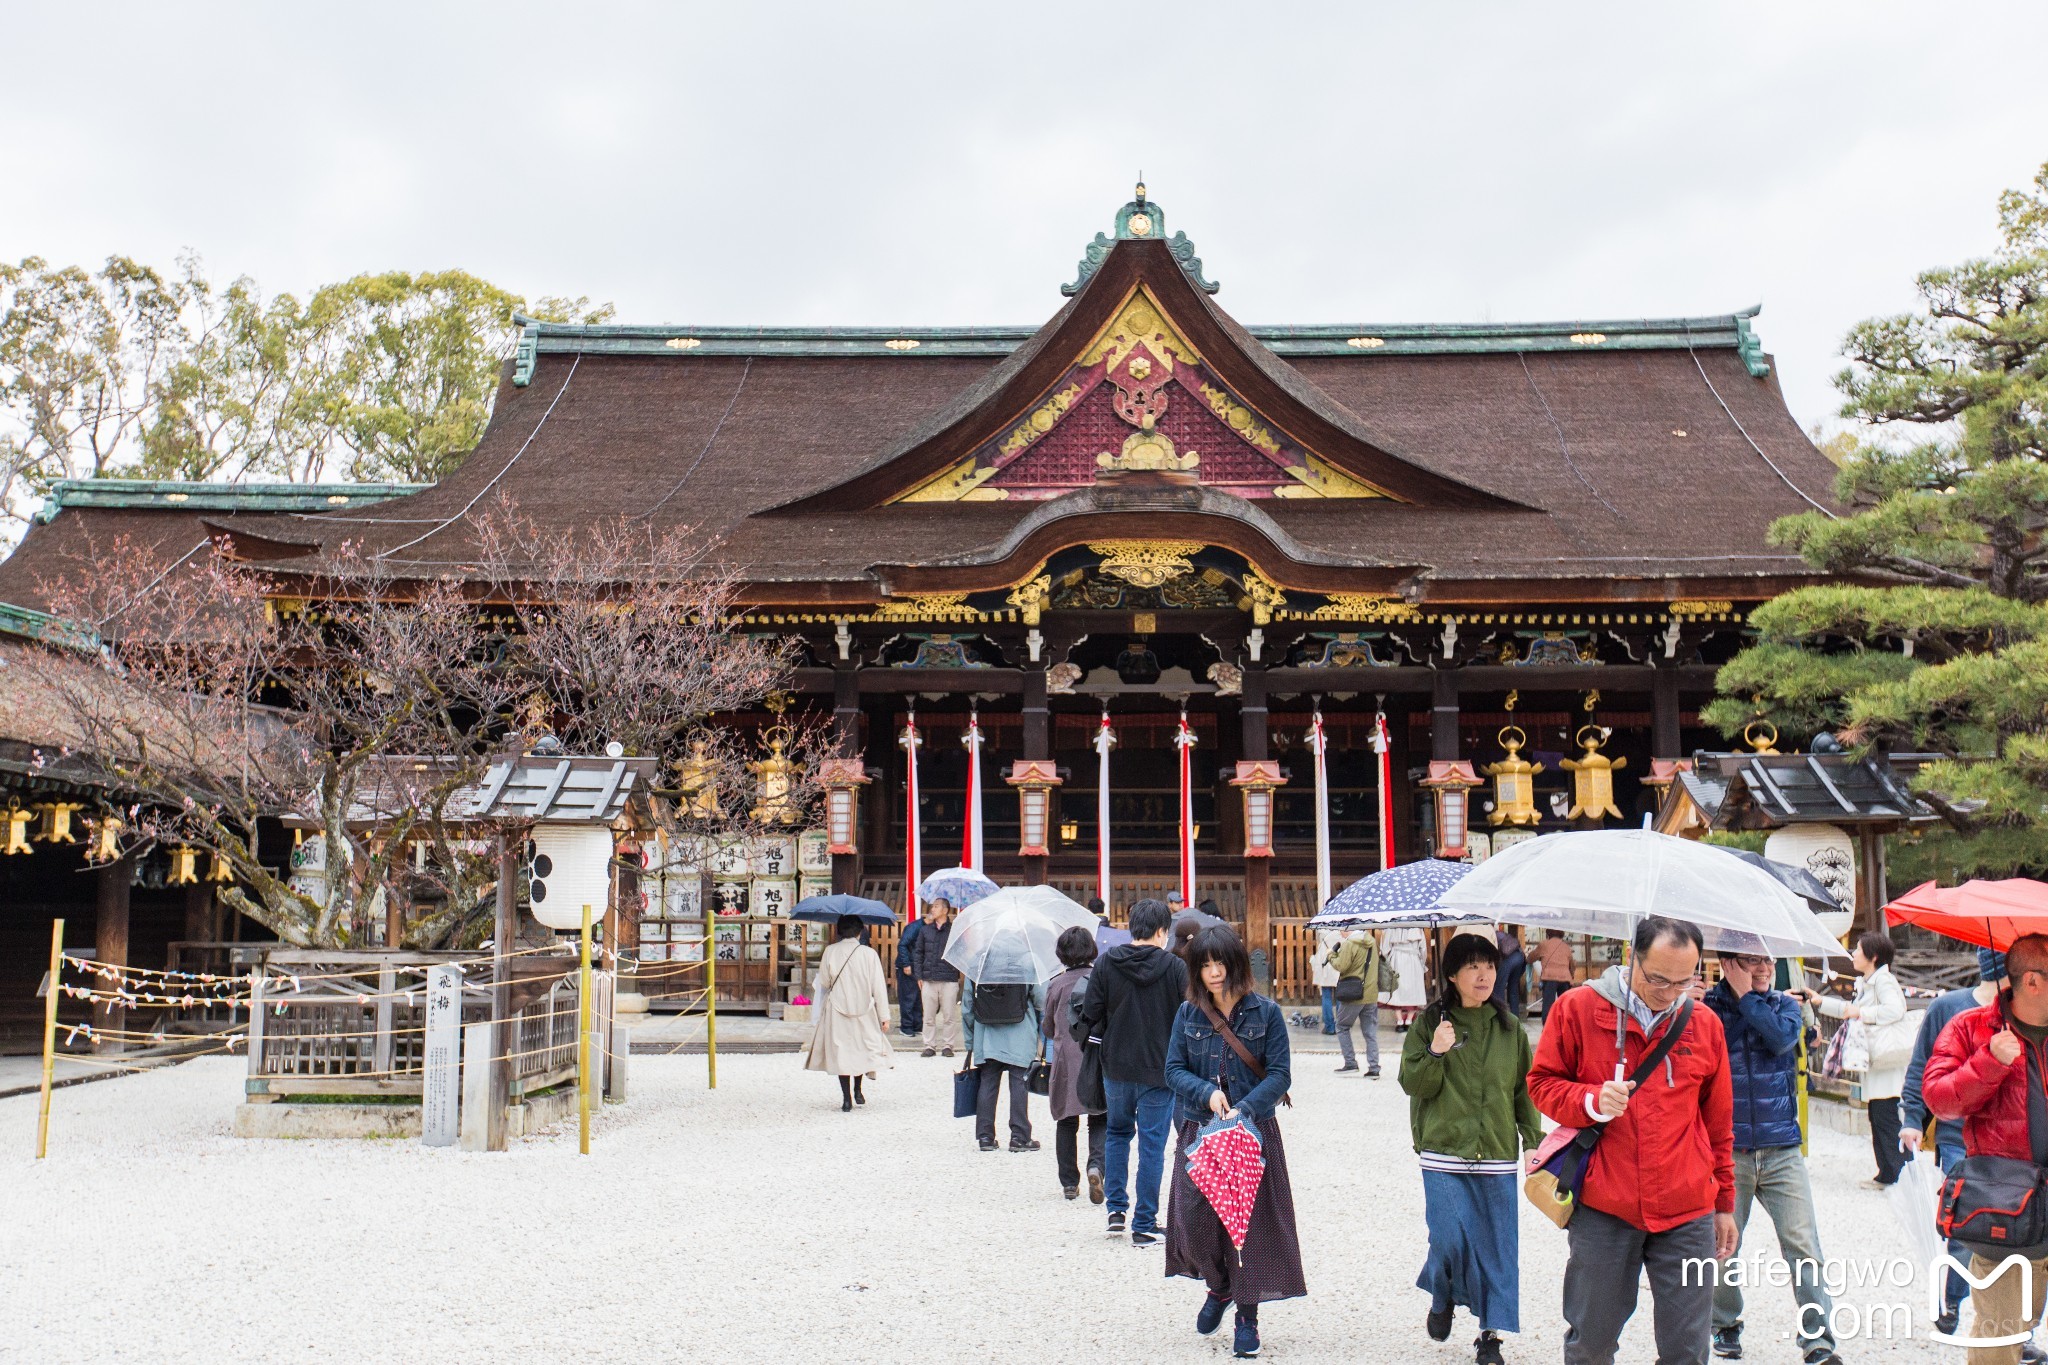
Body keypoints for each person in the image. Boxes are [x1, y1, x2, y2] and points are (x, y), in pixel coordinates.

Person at [1527, 915, 1738, 1365]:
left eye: (1685, 980)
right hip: (1606, 1204)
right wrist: (1591, 1100)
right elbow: (1541, 1084)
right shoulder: (1577, 1009)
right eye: (1658, 978)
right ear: (1631, 957)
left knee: (1687, 1350)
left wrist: (1724, 1205)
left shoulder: (1703, 1024)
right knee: (1592, 1343)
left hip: (1687, 1207)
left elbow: (1718, 1126)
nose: (1669, 991)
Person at [1399, 932, 1541, 1365]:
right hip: (1443, 1152)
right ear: (1452, 975)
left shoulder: (1509, 1027)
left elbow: (1523, 1091)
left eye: (1490, 966)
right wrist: (1435, 1051)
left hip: (1497, 1154)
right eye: (1473, 967)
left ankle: (1489, 1334)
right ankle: (1442, 1294)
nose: (1484, 976)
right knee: (1448, 1240)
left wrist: (1534, 1143)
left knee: (1497, 1248)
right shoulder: (1431, 1024)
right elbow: (1414, 1084)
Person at [1164, 925, 1304, 1360]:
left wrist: (1245, 1107)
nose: (1213, 972)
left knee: (1249, 1228)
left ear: (1236, 963)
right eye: (1204, 965)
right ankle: (1219, 1287)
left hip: (1250, 1135)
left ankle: (1247, 1315)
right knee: (1193, 1220)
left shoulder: (1266, 1013)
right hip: (1199, 1131)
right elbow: (1172, 1069)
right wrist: (1206, 1093)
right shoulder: (1188, 1014)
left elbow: (1280, 1073)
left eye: (1219, 962)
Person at [1703, 952, 1845, 1365]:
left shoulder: (1786, 1006)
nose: (1764, 969)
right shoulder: (1707, 1010)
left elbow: (1782, 1039)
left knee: (1803, 1245)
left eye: (1768, 961)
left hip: (1782, 1147)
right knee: (1723, 1245)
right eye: (1751, 962)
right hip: (1730, 1149)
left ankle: (1818, 1342)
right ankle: (1724, 1323)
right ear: (1729, 964)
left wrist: (1748, 996)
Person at [1923, 933, 2048, 1365]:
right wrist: (1989, 1061)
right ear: (2033, 981)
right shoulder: (1971, 1028)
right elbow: (1938, 1097)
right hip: (2007, 1208)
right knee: (2000, 1337)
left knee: (2021, 1324)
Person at [1900, 948, 2009, 1338]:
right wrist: (1912, 1119)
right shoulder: (1949, 1009)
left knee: (2015, 1231)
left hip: (2014, 1141)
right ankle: (1953, 1296)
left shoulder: (2029, 1015)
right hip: (1958, 1135)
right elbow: (1922, 1066)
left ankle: (2009, 1327)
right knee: (1969, 1224)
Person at [1075, 897, 1188, 1245]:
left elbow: (1091, 1009)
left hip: (1117, 1064)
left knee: (1117, 1134)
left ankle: (1116, 1211)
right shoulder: (1174, 967)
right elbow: (1190, 1014)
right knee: (1153, 1144)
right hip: (1160, 1067)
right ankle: (1144, 1223)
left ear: (1132, 927)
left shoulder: (1107, 963)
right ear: (1161, 931)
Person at [1797, 930, 1913, 1187]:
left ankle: (1897, 1174)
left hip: (1886, 1061)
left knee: (1886, 1117)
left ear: (1872, 956)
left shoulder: (1883, 981)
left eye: (1858, 949)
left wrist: (1862, 1013)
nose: (1854, 953)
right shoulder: (1869, 981)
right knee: (1879, 1115)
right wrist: (1819, 1001)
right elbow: (1851, 1011)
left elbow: (1894, 1010)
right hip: (1878, 1062)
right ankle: (1889, 1172)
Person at [802, 914, 892, 1112]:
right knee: (859, 1050)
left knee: (842, 1053)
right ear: (860, 931)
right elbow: (878, 987)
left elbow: (825, 982)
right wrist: (884, 1015)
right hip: (864, 1009)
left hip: (837, 1008)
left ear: (839, 931)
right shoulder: (869, 954)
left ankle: (846, 1098)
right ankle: (858, 1089)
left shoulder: (830, 951)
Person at [1045, 926, 1107, 1201]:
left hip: (1066, 1061)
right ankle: (1096, 1165)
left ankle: (1070, 1182)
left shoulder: (1056, 984)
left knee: (1066, 1120)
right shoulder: (1100, 979)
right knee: (1100, 1116)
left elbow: (1048, 1027)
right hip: (1096, 1055)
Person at [961, 957, 1046, 1154]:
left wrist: (970, 1040)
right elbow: (1041, 999)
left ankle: (985, 1137)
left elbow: (967, 1005)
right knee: (1019, 1083)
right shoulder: (1028, 960)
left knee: (988, 1083)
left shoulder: (978, 962)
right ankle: (1019, 1137)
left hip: (986, 1032)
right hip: (1020, 1031)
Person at [910, 899, 961, 1058]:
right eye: (933, 906)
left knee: (949, 1016)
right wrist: (918, 975)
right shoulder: (925, 930)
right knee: (928, 1015)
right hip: (929, 978)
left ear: (945, 910)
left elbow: (961, 952)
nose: (933, 909)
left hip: (948, 978)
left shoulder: (954, 930)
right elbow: (918, 953)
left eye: (936, 906)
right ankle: (929, 1045)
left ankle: (948, 1045)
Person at [1331, 929, 1381, 1077]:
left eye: (1342, 930)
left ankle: (1350, 1063)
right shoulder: (1372, 942)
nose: (1341, 933)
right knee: (1370, 1032)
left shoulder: (1349, 944)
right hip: (1371, 993)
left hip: (1354, 993)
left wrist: (1331, 955)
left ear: (1349, 929)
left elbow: (1341, 966)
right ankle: (1374, 1068)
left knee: (1342, 1026)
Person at [1385, 925, 1429, 1030]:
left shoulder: (1391, 927)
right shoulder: (1417, 927)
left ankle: (1400, 1021)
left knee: (1397, 992)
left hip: (1396, 960)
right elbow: (1423, 948)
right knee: (1414, 991)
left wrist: (1387, 960)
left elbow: (1385, 947)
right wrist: (1422, 962)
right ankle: (1409, 1021)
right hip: (1413, 959)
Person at [1533, 930, 1576, 1018]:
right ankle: (1565, 1025)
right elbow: (1572, 964)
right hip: (1565, 978)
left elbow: (1532, 957)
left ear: (1548, 934)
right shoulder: (1566, 947)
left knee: (1548, 1004)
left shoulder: (1544, 944)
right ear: (1562, 935)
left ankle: (1547, 1028)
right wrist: (1571, 976)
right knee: (1565, 1005)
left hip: (1549, 977)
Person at [894, 914, 924, 1038]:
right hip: (907, 966)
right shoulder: (915, 927)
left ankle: (917, 1025)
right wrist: (906, 964)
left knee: (917, 997)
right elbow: (902, 945)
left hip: (917, 965)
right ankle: (906, 1027)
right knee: (908, 997)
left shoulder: (926, 927)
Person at [1311, 929, 1341, 1035]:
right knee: (1340, 997)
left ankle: (1329, 1027)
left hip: (1325, 962)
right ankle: (1340, 1026)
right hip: (1338, 962)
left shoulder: (1322, 929)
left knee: (1326, 996)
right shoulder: (1342, 931)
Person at [1492, 927, 1527, 1018]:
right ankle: (1515, 1017)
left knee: (1499, 988)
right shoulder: (1503, 934)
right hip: (1520, 957)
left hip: (1509, 960)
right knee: (1513, 989)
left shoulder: (1491, 935)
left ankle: (1501, 1017)